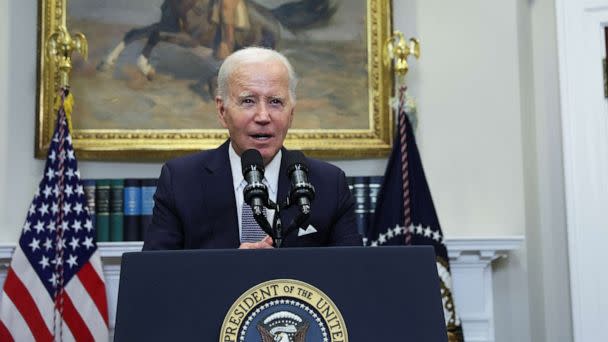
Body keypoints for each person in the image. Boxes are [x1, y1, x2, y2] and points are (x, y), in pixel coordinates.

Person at [143, 47, 362, 250]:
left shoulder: (329, 183)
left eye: (275, 102)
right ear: (222, 111)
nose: (263, 117)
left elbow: (352, 276)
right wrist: (234, 269)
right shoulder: (181, 180)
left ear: (291, 113)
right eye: (248, 101)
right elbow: (156, 277)